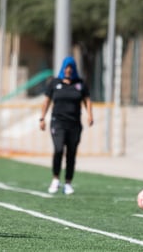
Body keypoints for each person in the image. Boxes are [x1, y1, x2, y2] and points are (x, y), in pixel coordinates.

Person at [39, 56, 93, 195]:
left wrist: (90, 115)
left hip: (74, 124)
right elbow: (46, 101)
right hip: (58, 122)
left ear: (74, 69)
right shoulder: (54, 83)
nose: (68, 71)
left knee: (71, 153)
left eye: (71, 68)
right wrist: (42, 118)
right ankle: (55, 179)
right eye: (66, 68)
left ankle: (68, 183)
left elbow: (87, 100)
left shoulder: (80, 84)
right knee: (58, 149)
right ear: (63, 68)